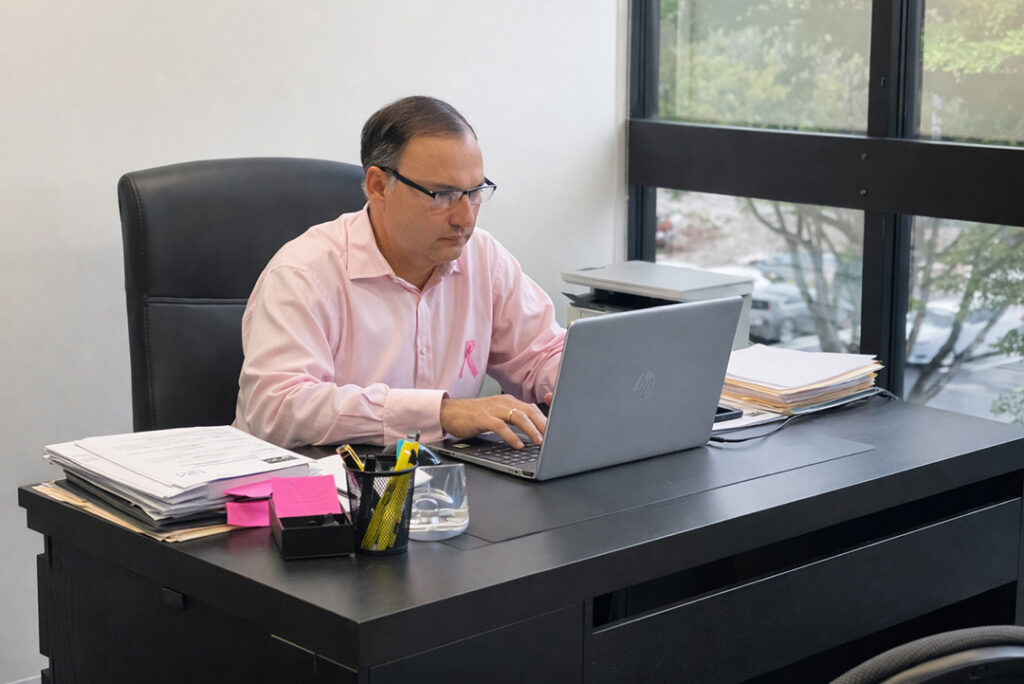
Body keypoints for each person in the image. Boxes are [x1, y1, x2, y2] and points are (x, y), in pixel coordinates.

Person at [233, 96, 566, 450]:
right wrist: (440, 414)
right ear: (378, 186)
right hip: (323, 478)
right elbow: (277, 409)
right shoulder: (304, 273)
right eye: (443, 195)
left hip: (444, 477)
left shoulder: (484, 259)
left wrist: (578, 379)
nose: (465, 218)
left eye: (474, 193)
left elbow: (541, 354)